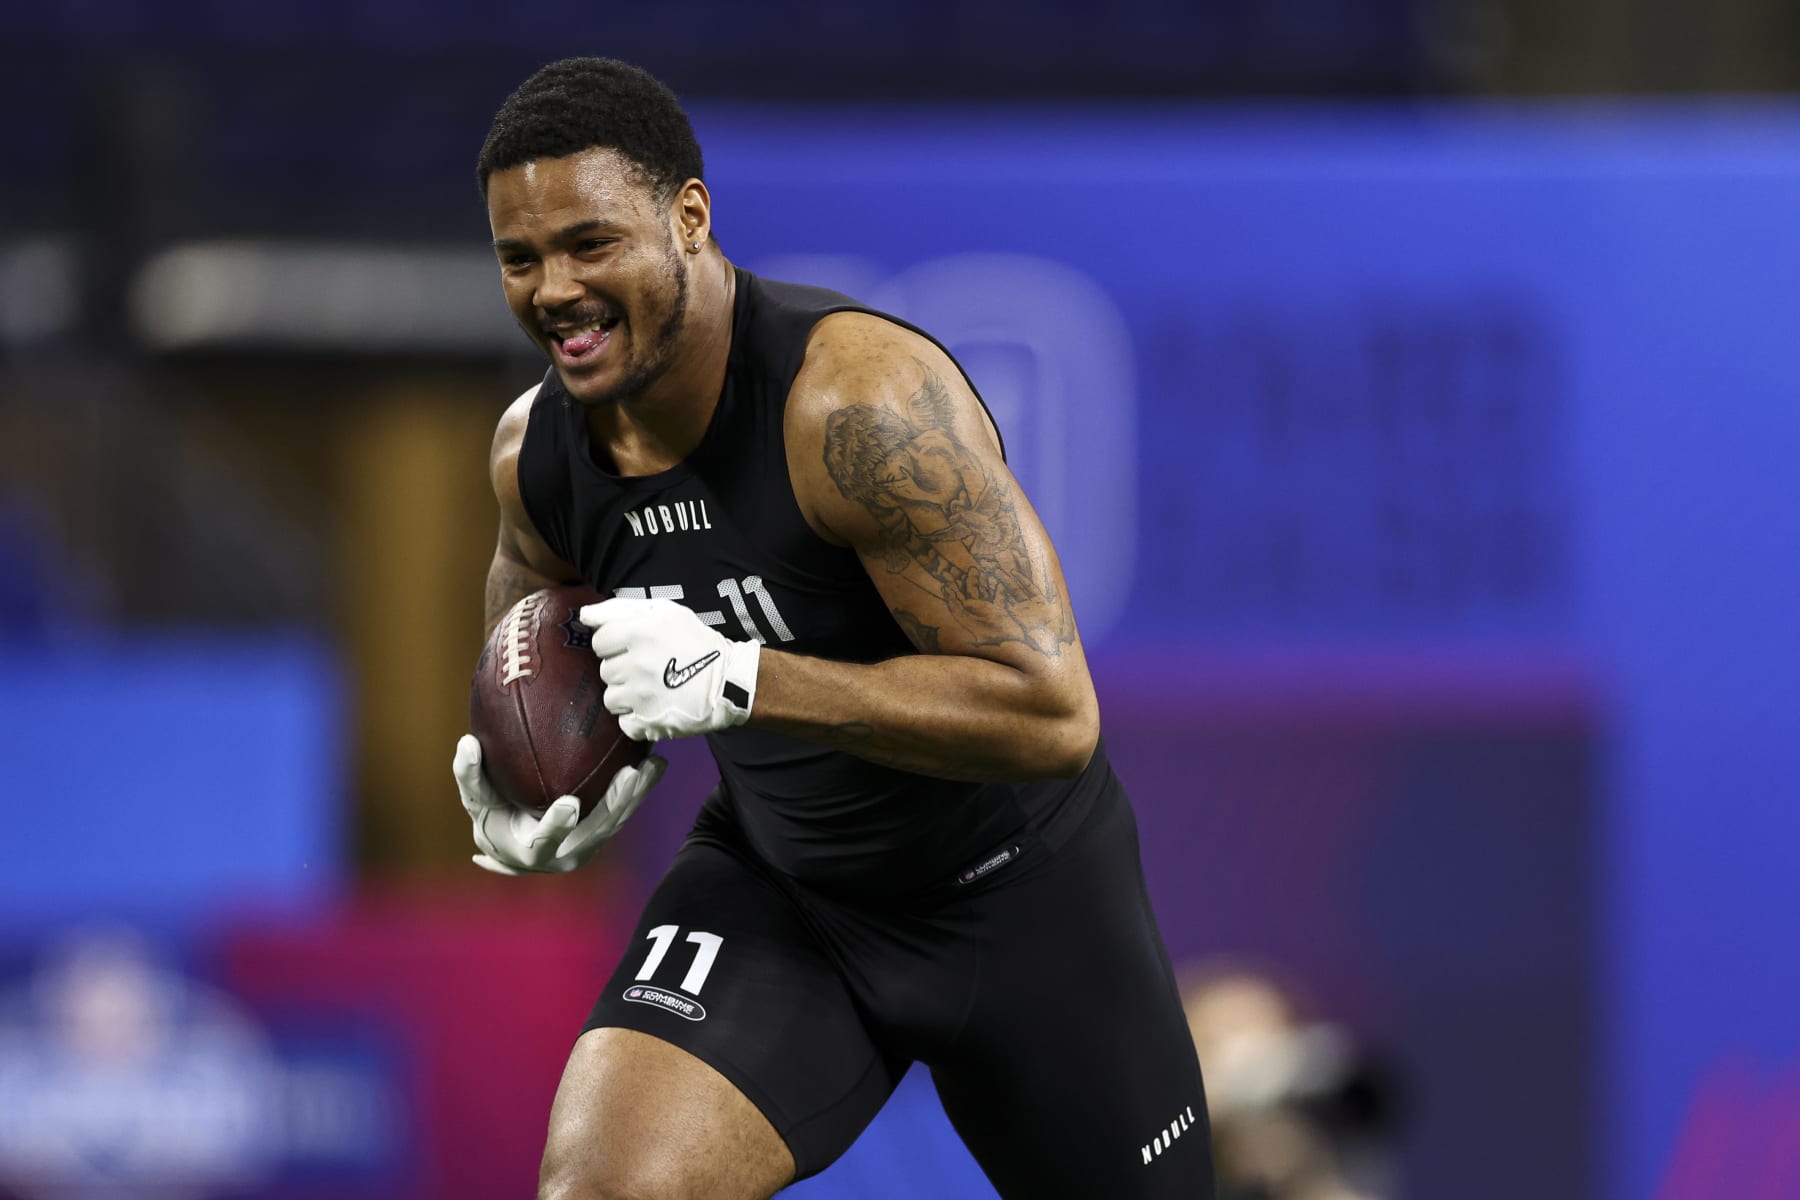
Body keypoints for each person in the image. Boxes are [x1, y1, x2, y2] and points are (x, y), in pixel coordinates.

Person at [451, 56, 1214, 1200]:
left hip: (1020, 899)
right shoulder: (538, 454)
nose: (554, 287)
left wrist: (748, 676)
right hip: (785, 892)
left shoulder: (856, 406)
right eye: (521, 259)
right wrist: (528, 784)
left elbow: (1052, 713)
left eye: (591, 244)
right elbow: (531, 618)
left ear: (689, 220)